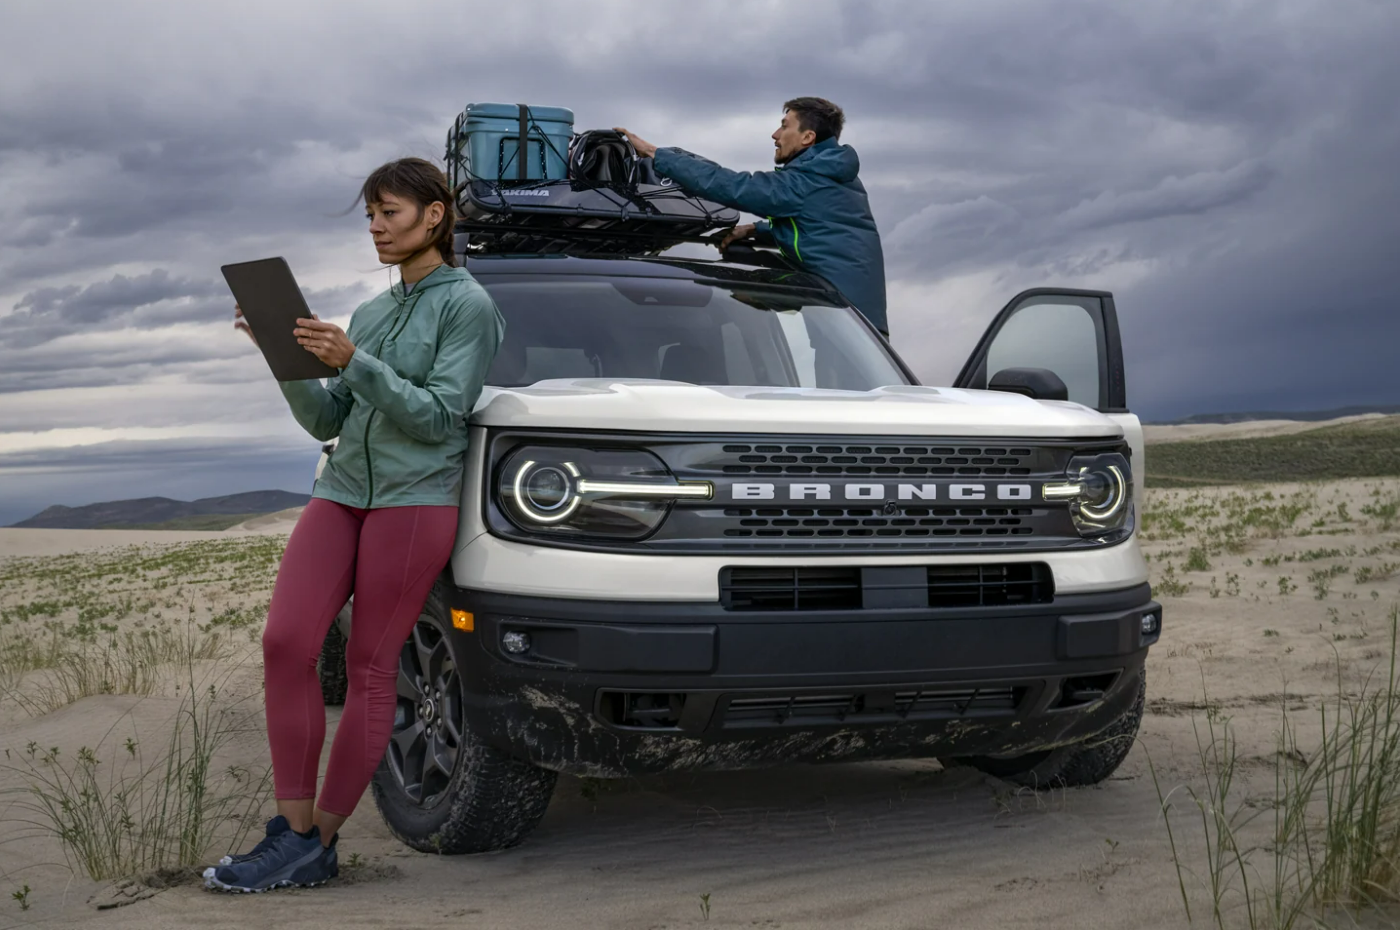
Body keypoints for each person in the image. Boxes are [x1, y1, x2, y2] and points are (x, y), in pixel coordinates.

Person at [207, 157, 504, 893]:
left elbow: (441, 418)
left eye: (389, 213)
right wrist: (284, 358)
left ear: (435, 217)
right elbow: (328, 419)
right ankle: (293, 829)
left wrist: (357, 361)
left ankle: (314, 840)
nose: (375, 227)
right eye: (370, 214)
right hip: (342, 490)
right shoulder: (374, 311)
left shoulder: (468, 306)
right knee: (286, 643)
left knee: (373, 666)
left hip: (415, 499)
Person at [615, 97, 889, 335]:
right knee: (744, 257)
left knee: (841, 396)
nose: (775, 134)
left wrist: (656, 154)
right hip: (853, 319)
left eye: (784, 126)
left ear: (807, 137)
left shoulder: (808, 181)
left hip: (843, 319)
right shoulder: (831, 174)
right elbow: (820, 227)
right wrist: (756, 229)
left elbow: (736, 187)